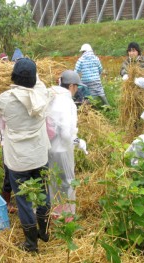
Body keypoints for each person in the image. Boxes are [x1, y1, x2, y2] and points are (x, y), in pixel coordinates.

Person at [0, 58, 53, 253]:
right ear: (34, 78)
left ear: (13, 76)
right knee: (43, 193)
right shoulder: (42, 94)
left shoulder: (5, 99)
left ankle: (31, 243)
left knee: (24, 200)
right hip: (39, 155)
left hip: (18, 160)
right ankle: (44, 231)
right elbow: (39, 82)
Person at [46, 70, 87, 221]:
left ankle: (54, 214)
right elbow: (66, 133)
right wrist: (77, 142)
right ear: (71, 86)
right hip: (62, 149)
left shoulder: (51, 96)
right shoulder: (67, 102)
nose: (77, 90)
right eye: (76, 87)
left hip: (49, 147)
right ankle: (67, 218)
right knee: (67, 182)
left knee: (52, 181)